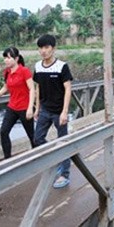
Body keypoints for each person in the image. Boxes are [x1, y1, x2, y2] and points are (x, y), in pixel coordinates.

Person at [33, 34, 73, 189]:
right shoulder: (37, 66)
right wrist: (37, 108)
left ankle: (65, 174)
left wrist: (64, 112)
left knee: (63, 141)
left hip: (58, 111)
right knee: (38, 139)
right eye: (41, 48)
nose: (43, 51)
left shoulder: (62, 66)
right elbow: (38, 88)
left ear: (53, 49)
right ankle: (57, 160)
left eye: (46, 47)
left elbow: (68, 88)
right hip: (45, 110)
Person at [0, 47, 35, 159]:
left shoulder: (24, 71)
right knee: (4, 132)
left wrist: (30, 108)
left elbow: (32, 89)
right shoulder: (7, 72)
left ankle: (39, 156)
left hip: (24, 108)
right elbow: (6, 87)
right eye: (5, 57)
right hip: (12, 107)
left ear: (16, 59)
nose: (6, 60)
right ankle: (8, 159)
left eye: (9, 58)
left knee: (32, 136)